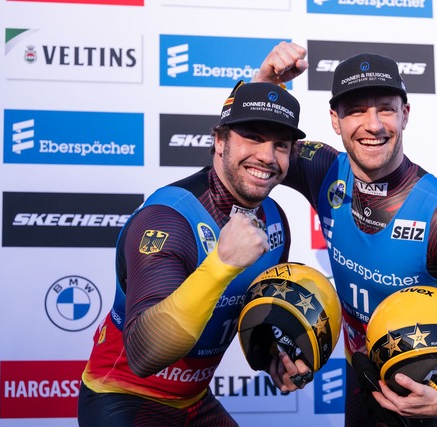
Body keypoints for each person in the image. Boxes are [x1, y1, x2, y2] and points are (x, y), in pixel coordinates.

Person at [252, 42, 437, 426]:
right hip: (361, 381)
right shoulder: (322, 169)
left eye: (386, 109)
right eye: (357, 110)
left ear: (405, 114)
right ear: (334, 119)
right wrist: (265, 84)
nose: (374, 124)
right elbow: (251, 146)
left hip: (429, 394)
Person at [78, 81, 312, 426]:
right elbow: (144, 355)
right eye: (253, 137)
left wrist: (272, 356)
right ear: (219, 141)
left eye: (280, 145)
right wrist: (222, 264)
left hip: (194, 400)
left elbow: (247, 310)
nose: (266, 156)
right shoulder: (168, 219)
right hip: (123, 396)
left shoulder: (274, 220)